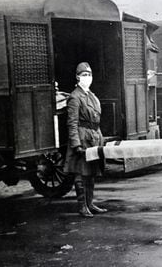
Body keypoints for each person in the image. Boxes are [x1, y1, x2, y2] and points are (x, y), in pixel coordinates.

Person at [64, 62, 107, 217]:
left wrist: (100, 138)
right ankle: (82, 206)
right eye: (84, 75)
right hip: (82, 137)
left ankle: (90, 203)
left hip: (93, 137)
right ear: (77, 77)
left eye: (89, 75)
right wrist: (76, 144)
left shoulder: (92, 96)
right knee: (80, 173)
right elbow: (72, 123)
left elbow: (96, 119)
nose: (87, 78)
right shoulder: (75, 97)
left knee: (92, 171)